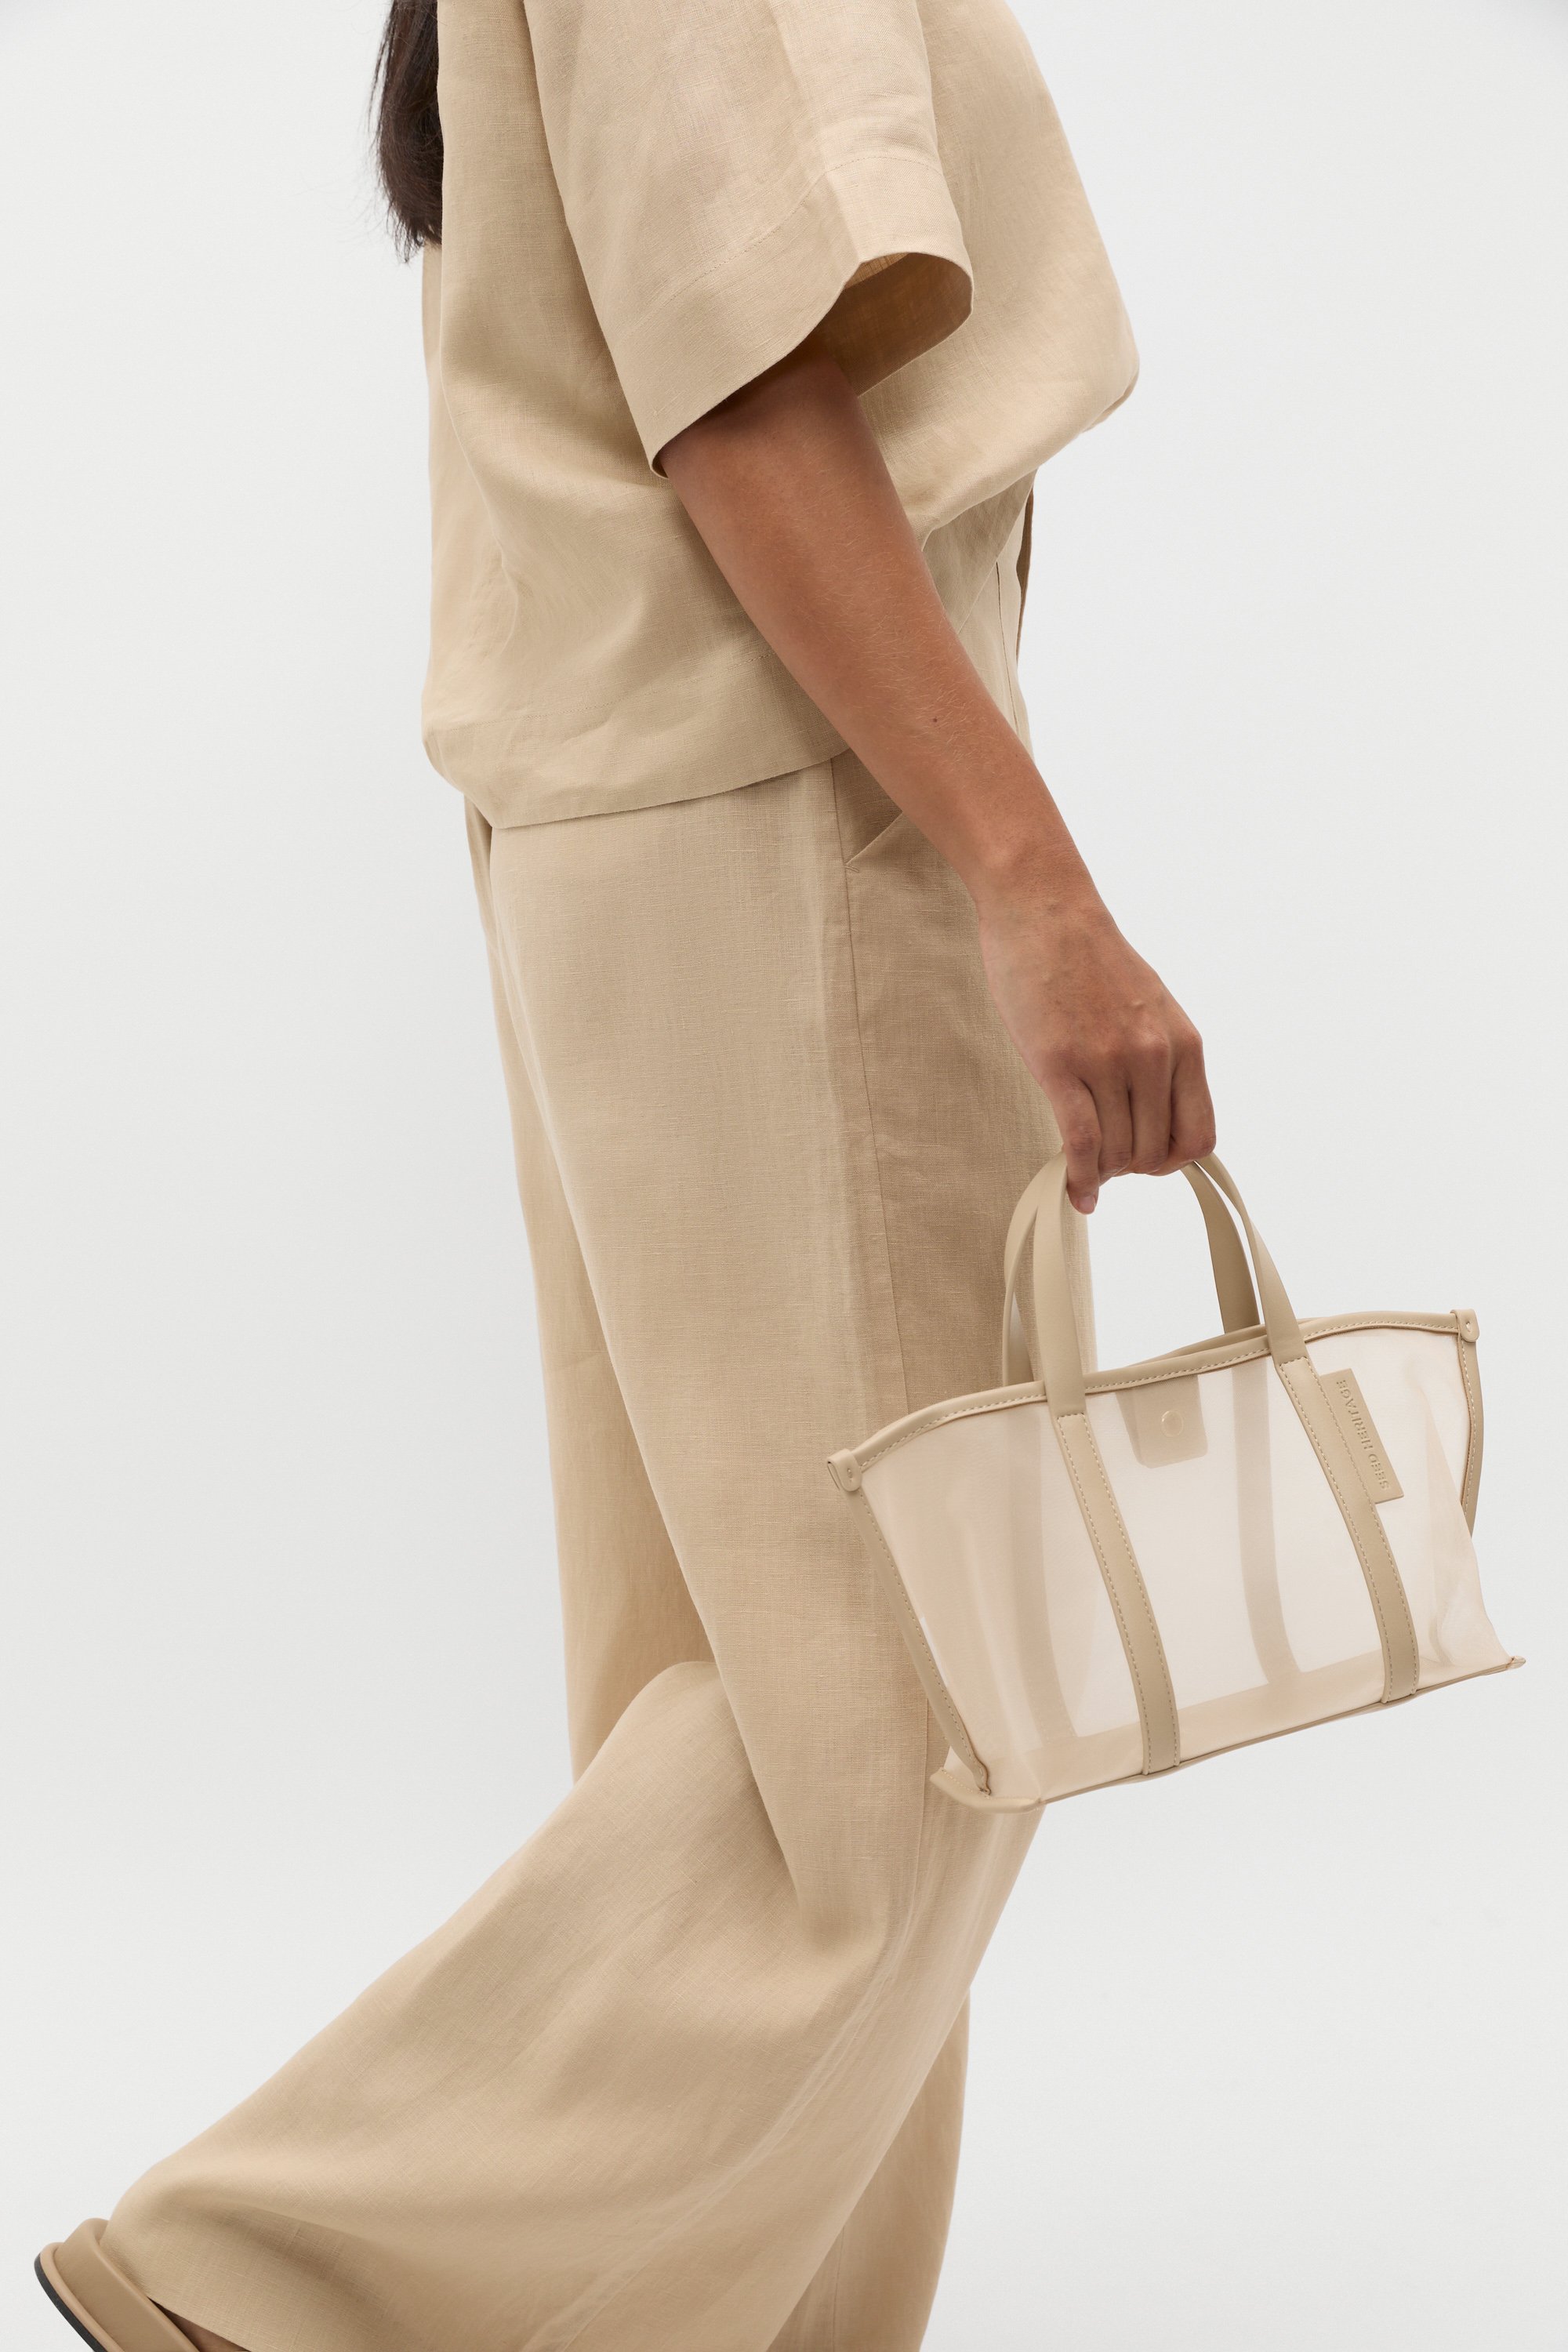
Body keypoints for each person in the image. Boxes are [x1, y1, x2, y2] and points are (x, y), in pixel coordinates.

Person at [37, 1, 1214, 2347]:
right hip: (791, 810)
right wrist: (1034, 882)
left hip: (666, 816)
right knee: (906, 1713)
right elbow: (744, 391)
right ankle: (272, 2283)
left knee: (765, 1684)